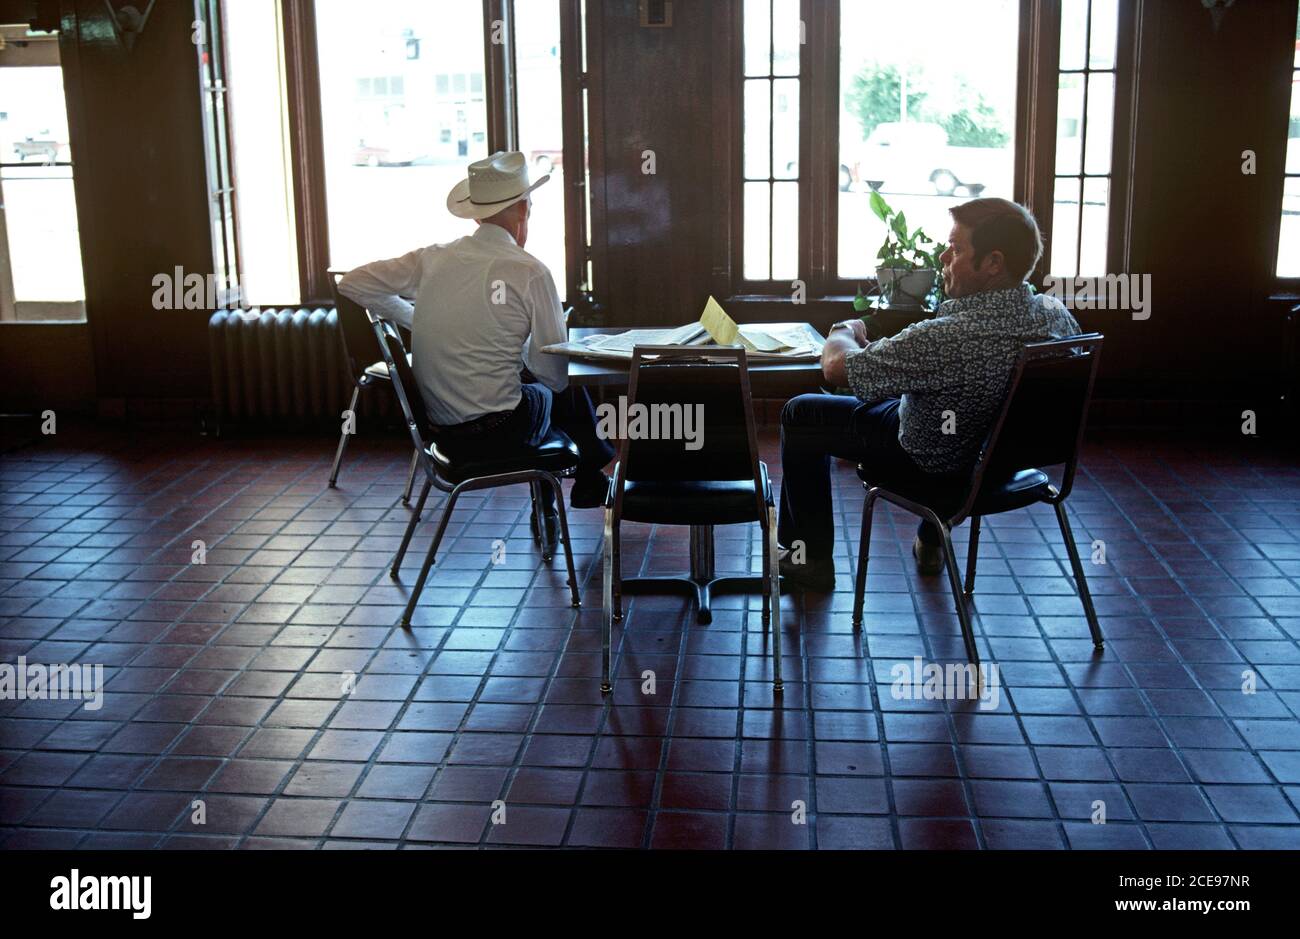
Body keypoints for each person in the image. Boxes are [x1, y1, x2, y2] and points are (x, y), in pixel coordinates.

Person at [778, 197, 1081, 591]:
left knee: (802, 413)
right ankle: (931, 538)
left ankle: (810, 557)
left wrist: (843, 331)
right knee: (952, 413)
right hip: (1001, 462)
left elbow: (838, 369)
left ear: (993, 262)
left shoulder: (950, 337)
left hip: (933, 468)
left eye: (956, 249)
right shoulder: (1054, 314)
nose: (942, 256)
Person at [339, 151, 614, 529]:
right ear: (522, 210)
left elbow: (352, 282)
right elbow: (555, 376)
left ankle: (581, 483)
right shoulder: (530, 271)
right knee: (554, 388)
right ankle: (587, 478)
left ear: (477, 213)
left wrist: (414, 320)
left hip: (443, 431)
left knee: (531, 382)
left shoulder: (434, 258)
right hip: (498, 433)